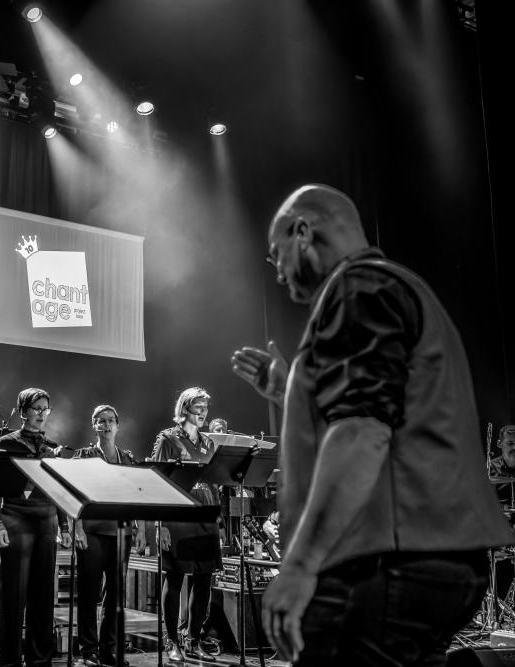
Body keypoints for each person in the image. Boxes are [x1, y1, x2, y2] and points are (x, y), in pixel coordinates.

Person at [230, 183, 513, 665]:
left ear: (303, 231)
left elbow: (361, 432)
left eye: (276, 254)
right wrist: (288, 389)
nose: (276, 271)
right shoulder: (391, 287)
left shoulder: (358, 288)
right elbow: (391, 412)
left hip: (387, 560)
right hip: (431, 557)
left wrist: (299, 566)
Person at [0, 387, 72, 667]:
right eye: (36, 408)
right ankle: (9, 661)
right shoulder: (7, 442)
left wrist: (64, 525)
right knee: (14, 594)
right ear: (23, 412)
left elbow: (58, 490)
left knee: (43, 594)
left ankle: (40, 660)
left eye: (45, 409)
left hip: (46, 519)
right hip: (15, 517)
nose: (41, 413)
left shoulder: (52, 447)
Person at [150, 387, 222, 662]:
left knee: (204, 580)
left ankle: (193, 640)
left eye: (205, 408)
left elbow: (213, 483)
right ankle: (172, 641)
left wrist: (218, 519)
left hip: (205, 517)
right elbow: (156, 481)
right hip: (177, 517)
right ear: (184, 408)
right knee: (175, 578)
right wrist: (162, 525)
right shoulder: (167, 438)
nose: (203, 412)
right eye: (198, 407)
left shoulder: (208, 443)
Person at [72, 404, 146, 667]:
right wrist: (77, 527)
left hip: (121, 533)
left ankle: (108, 650)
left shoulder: (127, 458)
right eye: (100, 421)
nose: (106, 425)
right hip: (91, 532)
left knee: (115, 595)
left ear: (118, 425)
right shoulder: (84, 456)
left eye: (110, 420)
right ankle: (88, 650)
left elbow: (136, 495)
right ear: (94, 425)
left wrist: (140, 528)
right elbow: (73, 493)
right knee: (89, 592)